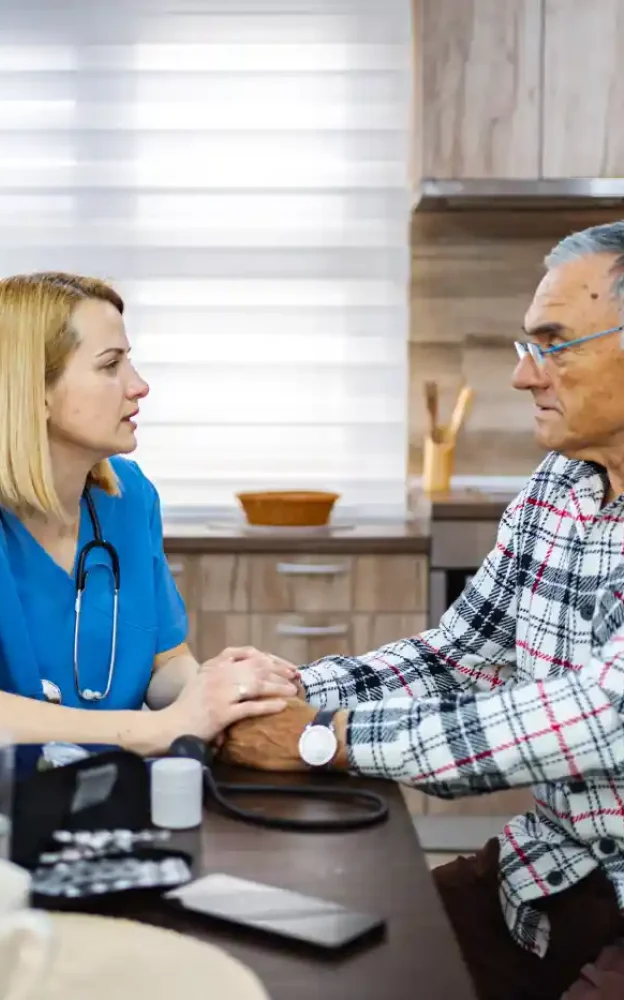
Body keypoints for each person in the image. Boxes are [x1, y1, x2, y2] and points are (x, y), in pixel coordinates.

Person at [217, 221, 624, 1000]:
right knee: (333, 968)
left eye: (554, 344)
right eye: (525, 345)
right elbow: (456, 657)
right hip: (553, 871)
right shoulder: (560, 486)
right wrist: (285, 691)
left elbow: (599, 718)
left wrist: (319, 738)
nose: (523, 376)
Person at [0, 272, 298, 759]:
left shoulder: (129, 497)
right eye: (110, 365)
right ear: (33, 391)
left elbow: (164, 665)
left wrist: (219, 691)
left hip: (111, 799)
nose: (139, 386)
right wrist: (160, 730)